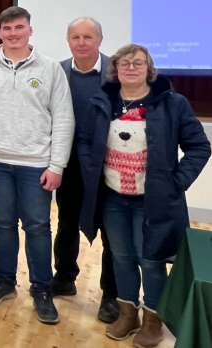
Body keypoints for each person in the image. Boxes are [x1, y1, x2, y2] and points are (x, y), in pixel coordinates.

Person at [79, 44, 210, 348]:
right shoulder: (102, 101)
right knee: (121, 258)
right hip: (112, 197)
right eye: (124, 63)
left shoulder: (172, 103)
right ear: (115, 69)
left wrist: (177, 182)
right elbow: (85, 140)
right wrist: (91, 168)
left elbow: (199, 147)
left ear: (149, 68)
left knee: (150, 260)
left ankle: (153, 320)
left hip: (153, 201)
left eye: (138, 63)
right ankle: (128, 313)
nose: (130, 68)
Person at [0, 6, 74, 325]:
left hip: (36, 165)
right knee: (2, 225)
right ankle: (4, 282)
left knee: (38, 227)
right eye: (6, 29)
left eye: (19, 27)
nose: (12, 33)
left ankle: (42, 289)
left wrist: (57, 165)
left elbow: (64, 118)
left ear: (30, 30)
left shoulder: (50, 68)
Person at [54, 17, 119, 323]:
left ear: (100, 40)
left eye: (88, 37)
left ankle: (110, 294)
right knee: (66, 224)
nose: (81, 42)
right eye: (76, 37)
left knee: (111, 232)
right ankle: (64, 278)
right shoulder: (58, 72)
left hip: (109, 167)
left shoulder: (117, 74)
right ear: (68, 41)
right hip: (68, 165)